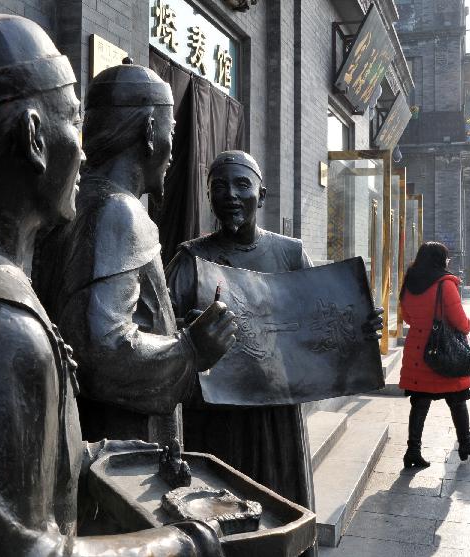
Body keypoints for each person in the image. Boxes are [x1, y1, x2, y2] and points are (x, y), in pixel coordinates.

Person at [0, 6, 223, 555]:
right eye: (74, 121)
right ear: (33, 136)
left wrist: (84, 450)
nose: (84, 147)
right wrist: (184, 544)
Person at [165, 151, 384, 557]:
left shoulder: (290, 253)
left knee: (279, 505)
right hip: (215, 415)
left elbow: (320, 315)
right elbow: (160, 334)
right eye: (219, 187)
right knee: (220, 518)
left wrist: (360, 327)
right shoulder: (190, 260)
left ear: (261, 195)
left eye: (241, 185)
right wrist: (188, 333)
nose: (230, 194)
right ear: (209, 197)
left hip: (275, 413)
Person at [34, 62, 237, 447]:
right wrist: (191, 348)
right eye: (171, 131)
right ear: (149, 131)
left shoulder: (76, 201)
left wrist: (174, 327)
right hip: (120, 442)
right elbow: (102, 351)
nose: (173, 149)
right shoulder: (119, 212)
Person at [399, 242, 470, 468]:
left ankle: (412, 451)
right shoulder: (445, 284)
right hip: (444, 350)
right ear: (440, 259)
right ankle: (465, 444)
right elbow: (459, 320)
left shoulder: (410, 282)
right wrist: (468, 325)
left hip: (418, 350)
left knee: (419, 402)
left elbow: (406, 316)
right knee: (457, 399)